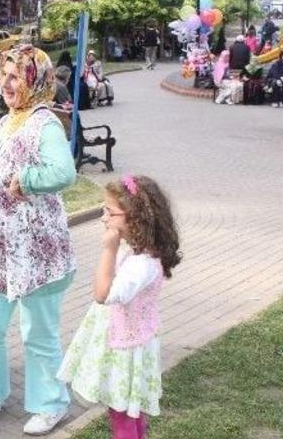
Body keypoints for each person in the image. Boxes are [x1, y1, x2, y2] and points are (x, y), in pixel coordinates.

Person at [0, 44, 77, 436]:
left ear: (35, 80)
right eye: (3, 76)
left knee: (38, 335)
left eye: (14, 77)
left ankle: (51, 404)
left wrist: (26, 180)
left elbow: (65, 171)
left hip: (37, 255)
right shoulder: (10, 120)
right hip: (0, 254)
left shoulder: (44, 123)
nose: (5, 84)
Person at [58, 175, 181, 439]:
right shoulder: (141, 254)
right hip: (130, 342)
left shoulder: (142, 264)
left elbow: (102, 294)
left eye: (110, 212)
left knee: (122, 413)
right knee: (129, 412)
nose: (104, 218)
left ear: (134, 218)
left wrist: (108, 250)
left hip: (125, 349)